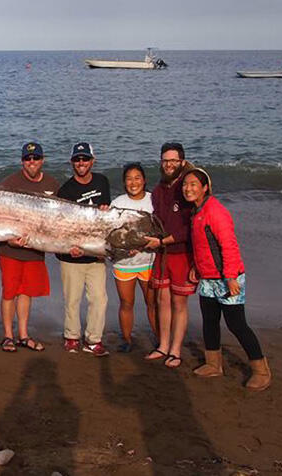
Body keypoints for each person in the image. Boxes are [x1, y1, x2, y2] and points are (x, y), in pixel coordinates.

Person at [183, 168, 270, 391]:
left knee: (236, 324)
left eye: (193, 184)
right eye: (185, 184)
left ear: (205, 188)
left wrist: (231, 277)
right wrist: (196, 267)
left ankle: (261, 370)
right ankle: (213, 364)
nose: (188, 188)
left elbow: (229, 245)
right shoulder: (196, 211)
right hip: (208, 279)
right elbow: (202, 246)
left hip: (227, 278)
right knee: (209, 321)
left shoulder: (215, 211)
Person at [0, 142, 58, 353]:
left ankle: (23, 335)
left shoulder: (52, 183)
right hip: (10, 249)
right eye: (27, 159)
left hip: (35, 250)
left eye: (36, 158)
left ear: (42, 160)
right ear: (22, 161)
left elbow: (59, 219)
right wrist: (9, 239)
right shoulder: (9, 182)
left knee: (26, 292)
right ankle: (7, 336)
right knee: (9, 292)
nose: (32, 162)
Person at [56, 142, 112, 357]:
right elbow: (60, 224)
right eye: (77, 159)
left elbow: (103, 219)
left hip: (96, 255)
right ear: (72, 163)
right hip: (72, 255)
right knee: (72, 299)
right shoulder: (66, 189)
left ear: (92, 161)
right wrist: (71, 247)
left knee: (99, 299)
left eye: (85, 159)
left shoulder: (102, 181)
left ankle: (94, 340)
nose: (81, 163)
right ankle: (71, 337)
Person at [143, 142, 196, 368]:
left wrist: (162, 241)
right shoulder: (157, 191)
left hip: (181, 253)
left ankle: (175, 350)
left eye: (174, 160)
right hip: (162, 254)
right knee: (161, 300)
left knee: (178, 303)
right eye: (165, 160)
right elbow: (156, 223)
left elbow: (188, 228)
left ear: (182, 162)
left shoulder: (188, 188)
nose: (169, 164)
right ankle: (163, 345)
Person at [110, 163, 158, 352]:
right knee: (126, 303)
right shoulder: (118, 203)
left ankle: (160, 339)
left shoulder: (154, 201)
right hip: (124, 263)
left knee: (152, 303)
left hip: (149, 262)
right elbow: (111, 233)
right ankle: (127, 340)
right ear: (124, 182)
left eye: (137, 178)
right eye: (129, 178)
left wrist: (144, 245)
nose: (133, 182)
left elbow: (160, 230)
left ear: (144, 180)